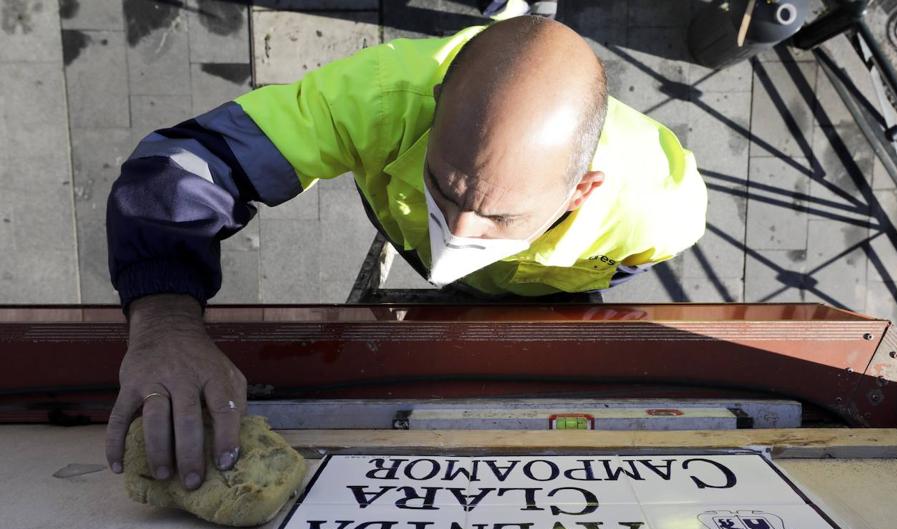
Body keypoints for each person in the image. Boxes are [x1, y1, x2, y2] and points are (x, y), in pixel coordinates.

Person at [104, 16, 707, 491]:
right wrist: (163, 324)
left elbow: (630, 262)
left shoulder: (662, 209)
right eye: (440, 186)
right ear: (438, 102)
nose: (458, 233)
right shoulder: (374, 96)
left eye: (501, 218)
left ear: (583, 191)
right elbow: (187, 164)